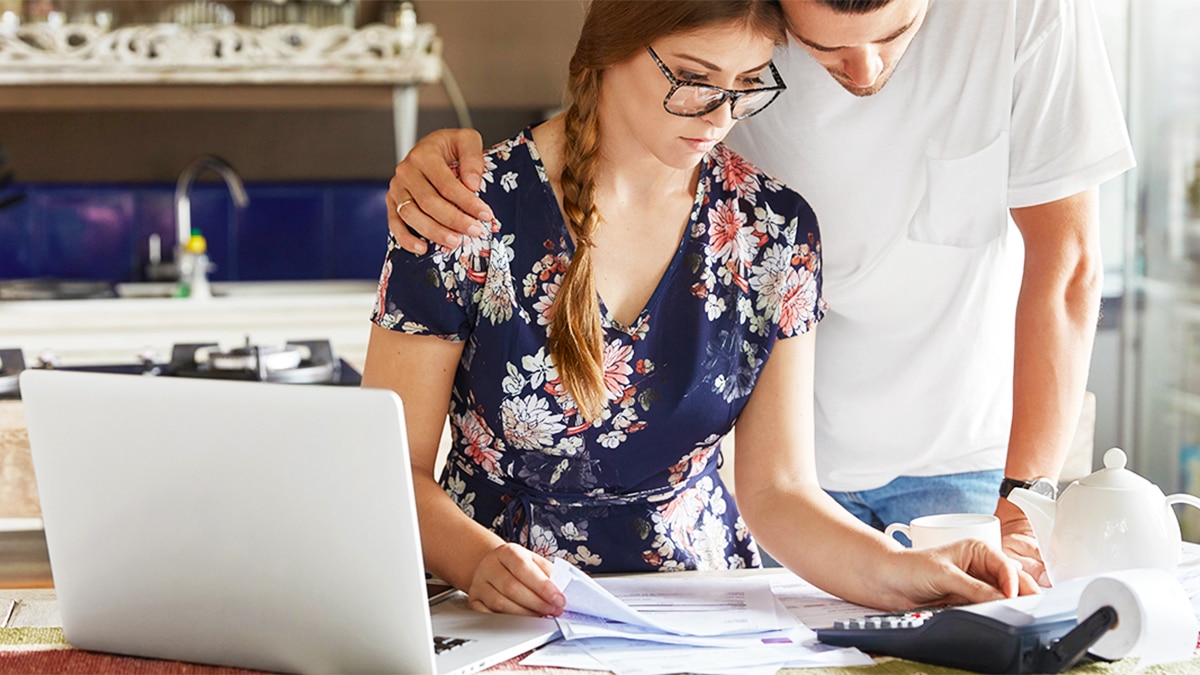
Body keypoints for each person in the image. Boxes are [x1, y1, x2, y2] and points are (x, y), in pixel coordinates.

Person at [382, 0, 1136, 584]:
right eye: (693, 80)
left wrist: (968, 536)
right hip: (508, 602)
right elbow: (382, 475)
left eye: (745, 88)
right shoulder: (468, 210)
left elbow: (776, 491)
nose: (718, 117)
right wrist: (475, 563)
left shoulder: (771, 230)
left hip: (913, 472)